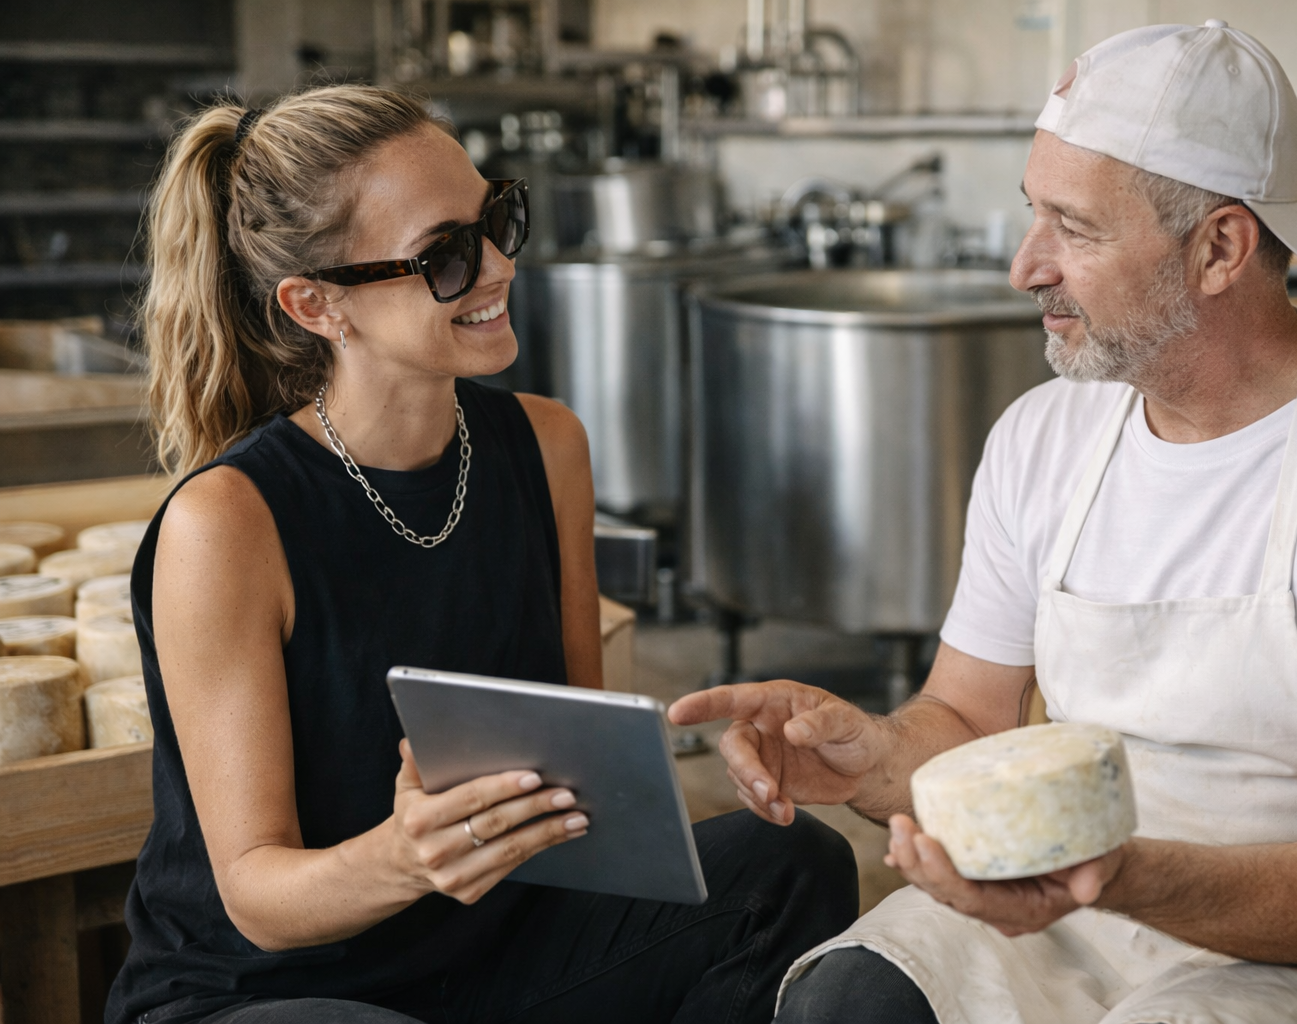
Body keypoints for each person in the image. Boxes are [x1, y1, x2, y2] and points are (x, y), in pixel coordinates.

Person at [672, 22, 1297, 1024]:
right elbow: (964, 724)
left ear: (1219, 247)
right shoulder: (1045, 437)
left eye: (1075, 230)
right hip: (1089, 902)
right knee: (847, 999)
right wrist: (871, 751)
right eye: (1033, 215)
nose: (1025, 265)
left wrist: (1102, 875)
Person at [107, 84, 857, 1024]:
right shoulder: (228, 522)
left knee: (792, 865)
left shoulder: (547, 446)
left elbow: (584, 777)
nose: (499, 264)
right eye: (446, 255)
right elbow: (258, 898)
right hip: (279, 993)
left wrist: (685, 766)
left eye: (496, 218)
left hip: (494, 956)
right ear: (315, 305)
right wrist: (403, 857)